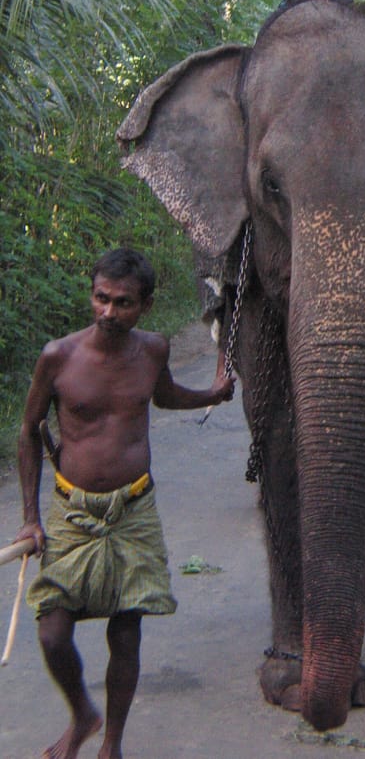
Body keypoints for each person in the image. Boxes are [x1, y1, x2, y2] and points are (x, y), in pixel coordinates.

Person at [15, 248, 235, 759]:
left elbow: (163, 397)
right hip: (72, 513)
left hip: (133, 510)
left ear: (147, 306)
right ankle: (83, 715)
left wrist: (213, 393)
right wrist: (29, 517)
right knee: (51, 634)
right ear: (91, 294)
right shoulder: (58, 357)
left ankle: (111, 743)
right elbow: (28, 431)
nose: (108, 312)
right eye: (100, 298)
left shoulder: (153, 350)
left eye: (123, 303)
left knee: (127, 633)